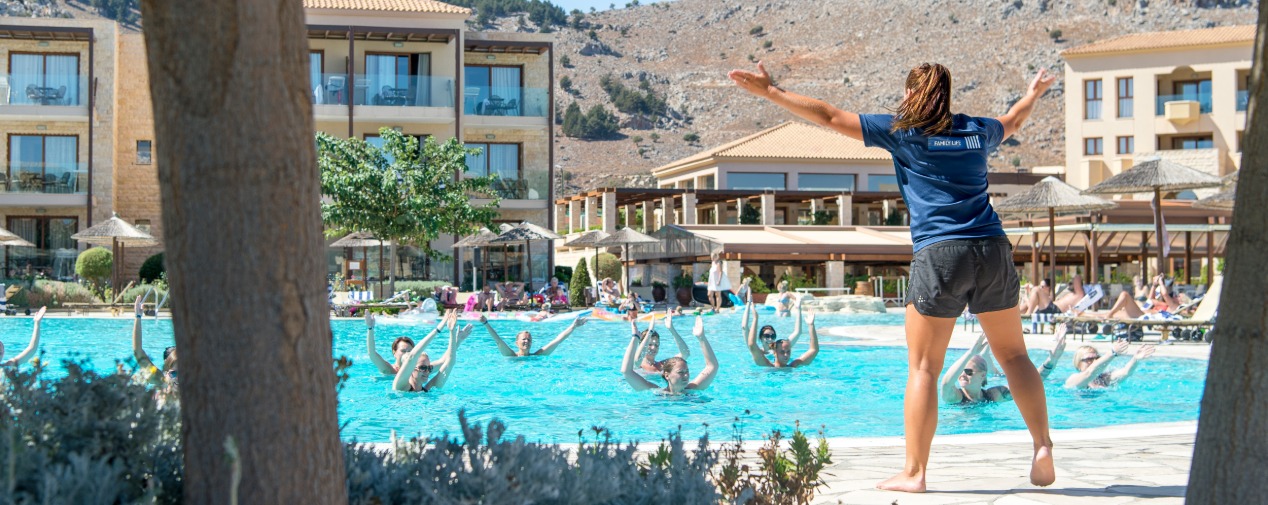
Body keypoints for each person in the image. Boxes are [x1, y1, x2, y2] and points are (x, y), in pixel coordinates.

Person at [731, 61, 1057, 492]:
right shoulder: (977, 130)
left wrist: (772, 92)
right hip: (992, 248)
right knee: (1014, 356)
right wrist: (1033, 93)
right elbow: (1014, 119)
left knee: (924, 367)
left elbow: (829, 116)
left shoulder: (903, 131)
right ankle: (1042, 445)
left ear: (911, 95)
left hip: (941, 253)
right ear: (946, 95)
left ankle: (915, 472)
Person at [942, 328, 1067, 404]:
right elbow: (946, 383)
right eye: (961, 371)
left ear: (983, 375)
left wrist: (1052, 360)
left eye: (968, 371)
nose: (962, 375)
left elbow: (1029, 383)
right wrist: (971, 353)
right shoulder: (955, 397)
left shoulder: (992, 396)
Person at [621, 316, 718, 394]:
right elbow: (627, 371)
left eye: (687, 371)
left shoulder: (692, 389)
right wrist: (635, 338)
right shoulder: (656, 392)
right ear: (667, 375)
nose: (686, 375)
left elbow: (712, 366)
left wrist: (702, 338)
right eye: (681, 372)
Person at [393, 315, 474, 392]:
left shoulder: (429, 389)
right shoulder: (400, 387)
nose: (427, 372)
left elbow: (449, 363)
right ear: (410, 369)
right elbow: (411, 358)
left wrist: (453, 333)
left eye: (429, 368)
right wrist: (437, 330)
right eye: (423, 368)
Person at [365, 310, 457, 375]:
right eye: (403, 351)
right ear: (394, 352)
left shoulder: (421, 369)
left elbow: (443, 361)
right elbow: (372, 354)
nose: (407, 354)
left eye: (410, 351)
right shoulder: (389, 370)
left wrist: (457, 339)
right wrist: (370, 329)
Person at [480, 314, 588, 356]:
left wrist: (573, 326)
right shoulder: (511, 355)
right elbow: (498, 340)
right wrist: (486, 323)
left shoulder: (536, 356)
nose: (526, 341)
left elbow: (557, 340)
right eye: (524, 339)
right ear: (516, 343)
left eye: (529, 340)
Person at [1065, 340, 1155, 389]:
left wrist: (1135, 359)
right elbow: (1089, 373)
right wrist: (1112, 353)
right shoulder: (1072, 379)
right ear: (1078, 363)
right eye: (1089, 359)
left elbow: (1126, 372)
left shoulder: (1103, 379)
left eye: (1097, 358)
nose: (1094, 361)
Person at [747, 307, 819, 368]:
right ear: (774, 352)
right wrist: (755, 319)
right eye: (782, 352)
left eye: (788, 352)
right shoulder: (768, 365)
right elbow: (752, 345)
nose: (786, 355)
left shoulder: (794, 365)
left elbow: (814, 350)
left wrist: (811, 325)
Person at [130, 295, 177, 386]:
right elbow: (138, 352)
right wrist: (138, 316)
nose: (178, 378)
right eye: (174, 374)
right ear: (166, 374)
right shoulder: (162, 382)